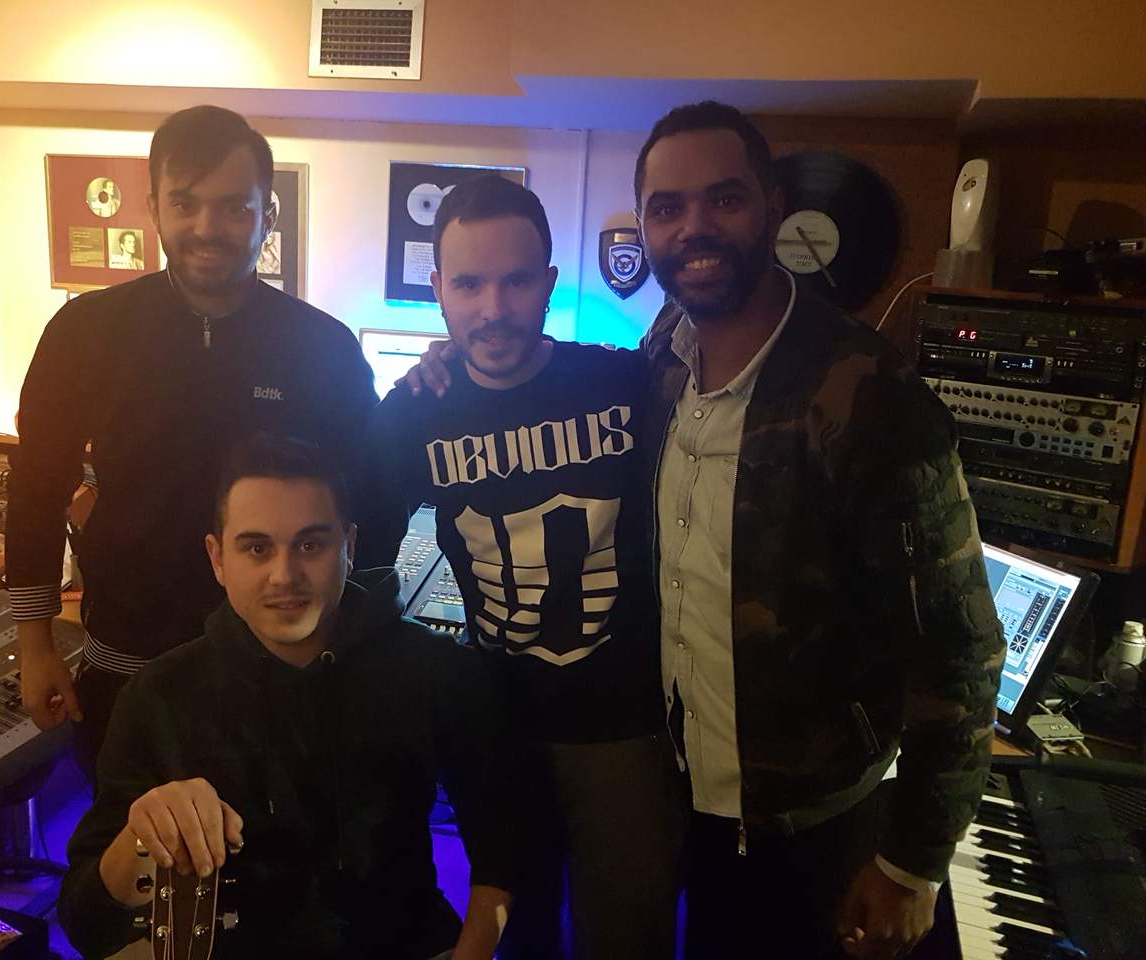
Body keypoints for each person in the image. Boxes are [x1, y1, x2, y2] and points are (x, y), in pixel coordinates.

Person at [634, 101, 1005, 960]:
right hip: (695, 804)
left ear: (772, 204)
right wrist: (456, 365)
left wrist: (913, 862)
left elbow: (959, 647)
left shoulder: (870, 395)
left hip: (822, 833)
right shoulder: (664, 356)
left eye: (724, 198)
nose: (694, 227)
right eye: (667, 207)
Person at [8, 105, 393, 777]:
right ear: (153, 207)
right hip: (127, 663)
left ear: (268, 215)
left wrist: (347, 640)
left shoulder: (323, 348)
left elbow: (375, 499)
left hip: (282, 671)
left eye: (234, 207)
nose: (207, 228)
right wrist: (34, 642)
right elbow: (36, 487)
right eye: (185, 203)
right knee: (130, 842)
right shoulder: (84, 333)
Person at [372, 175, 685, 960]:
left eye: (515, 281)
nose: (493, 308)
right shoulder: (413, 412)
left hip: (623, 727)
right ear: (438, 289)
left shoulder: (623, 384)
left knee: (628, 936)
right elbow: (361, 557)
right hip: (496, 723)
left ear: (548, 283)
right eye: (469, 284)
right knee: (519, 933)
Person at [59, 435, 519, 960]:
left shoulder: (435, 670)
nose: (285, 576)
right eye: (257, 548)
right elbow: (85, 921)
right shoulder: (156, 697)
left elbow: (504, 843)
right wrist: (140, 839)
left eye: (310, 545)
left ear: (348, 547)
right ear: (217, 559)